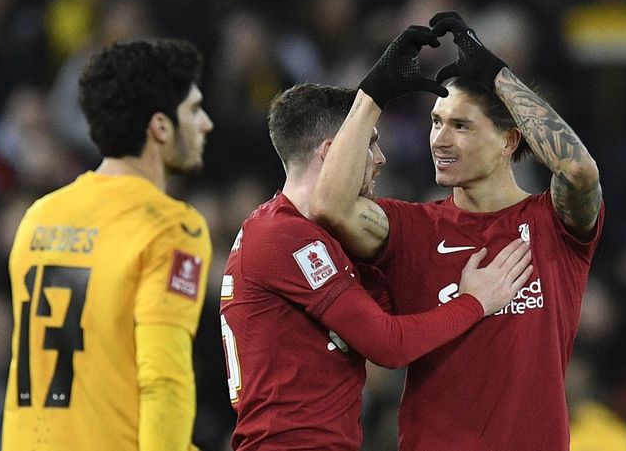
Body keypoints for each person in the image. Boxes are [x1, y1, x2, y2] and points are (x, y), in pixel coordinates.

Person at [219, 26, 534, 451]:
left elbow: (391, 312)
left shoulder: (309, 237)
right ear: (333, 154)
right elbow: (387, 344)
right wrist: (475, 301)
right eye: (369, 144)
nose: (380, 158)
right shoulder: (283, 236)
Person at [311, 12, 605, 450]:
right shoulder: (411, 229)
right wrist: (372, 93)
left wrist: (496, 73)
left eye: (460, 125)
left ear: (509, 141)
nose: (440, 140)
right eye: (435, 122)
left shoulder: (552, 225)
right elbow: (329, 206)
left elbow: (579, 170)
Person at [1, 38, 213, 451]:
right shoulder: (172, 228)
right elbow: (164, 381)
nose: (205, 123)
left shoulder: (39, 217)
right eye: (193, 110)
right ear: (160, 127)